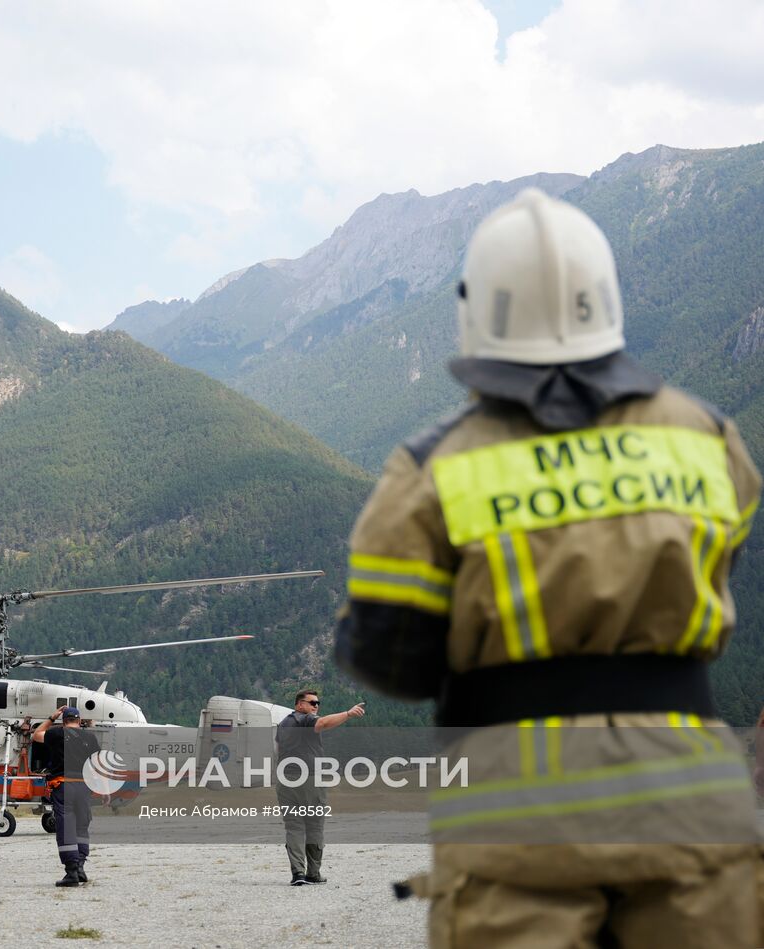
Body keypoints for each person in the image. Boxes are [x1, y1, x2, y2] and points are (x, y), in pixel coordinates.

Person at [335, 188, 761, 946]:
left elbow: (388, 659)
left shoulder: (432, 469)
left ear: (477, 309)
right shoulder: (708, 436)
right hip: (695, 809)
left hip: (518, 823)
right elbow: (719, 565)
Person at [276, 690, 365, 886]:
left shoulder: (283, 724)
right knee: (314, 824)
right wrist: (348, 714)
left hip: (285, 779)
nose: (316, 706)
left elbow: (278, 749)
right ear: (300, 705)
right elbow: (323, 723)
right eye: (312, 702)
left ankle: (297, 873)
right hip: (309, 778)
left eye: (318, 703)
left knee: (294, 826)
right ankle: (313, 874)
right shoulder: (305, 720)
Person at [32, 705, 100, 887]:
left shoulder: (56, 734)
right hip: (84, 787)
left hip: (64, 786)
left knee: (66, 828)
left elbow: (36, 735)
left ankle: (71, 873)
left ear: (64, 721)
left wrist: (51, 717)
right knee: (82, 826)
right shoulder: (91, 737)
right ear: (79, 720)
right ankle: (80, 868)